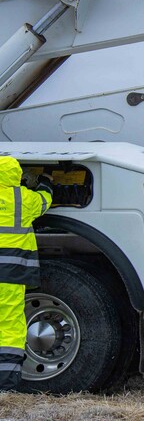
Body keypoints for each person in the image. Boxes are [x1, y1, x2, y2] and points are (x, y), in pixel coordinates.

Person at [0, 158, 53, 391]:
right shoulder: (23, 198)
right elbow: (45, 199)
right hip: (10, 275)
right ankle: (5, 383)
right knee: (9, 324)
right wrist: (46, 181)